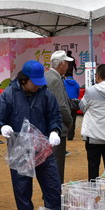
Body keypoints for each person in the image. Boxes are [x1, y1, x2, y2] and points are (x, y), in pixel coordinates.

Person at [0, 60, 62, 210]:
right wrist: (1, 127)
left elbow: (55, 116)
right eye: (34, 82)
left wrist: (55, 130)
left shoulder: (45, 93)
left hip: (43, 149)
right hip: (20, 150)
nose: (38, 86)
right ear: (24, 80)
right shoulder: (9, 94)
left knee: (53, 187)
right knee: (22, 190)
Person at [79, 64, 105, 180]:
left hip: (94, 136)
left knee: (93, 166)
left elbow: (82, 107)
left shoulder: (91, 91)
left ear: (97, 76)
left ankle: (93, 193)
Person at [44, 50, 73, 184]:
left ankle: (50, 190)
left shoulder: (47, 76)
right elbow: (61, 105)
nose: (68, 66)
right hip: (57, 126)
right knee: (57, 162)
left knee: (49, 161)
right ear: (61, 64)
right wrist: (69, 121)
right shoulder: (55, 79)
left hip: (46, 125)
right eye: (67, 63)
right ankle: (55, 191)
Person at [63, 73, 80, 141]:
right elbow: (78, 93)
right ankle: (71, 135)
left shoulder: (63, 83)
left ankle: (65, 133)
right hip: (74, 102)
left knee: (65, 117)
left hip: (66, 102)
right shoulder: (76, 83)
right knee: (73, 119)